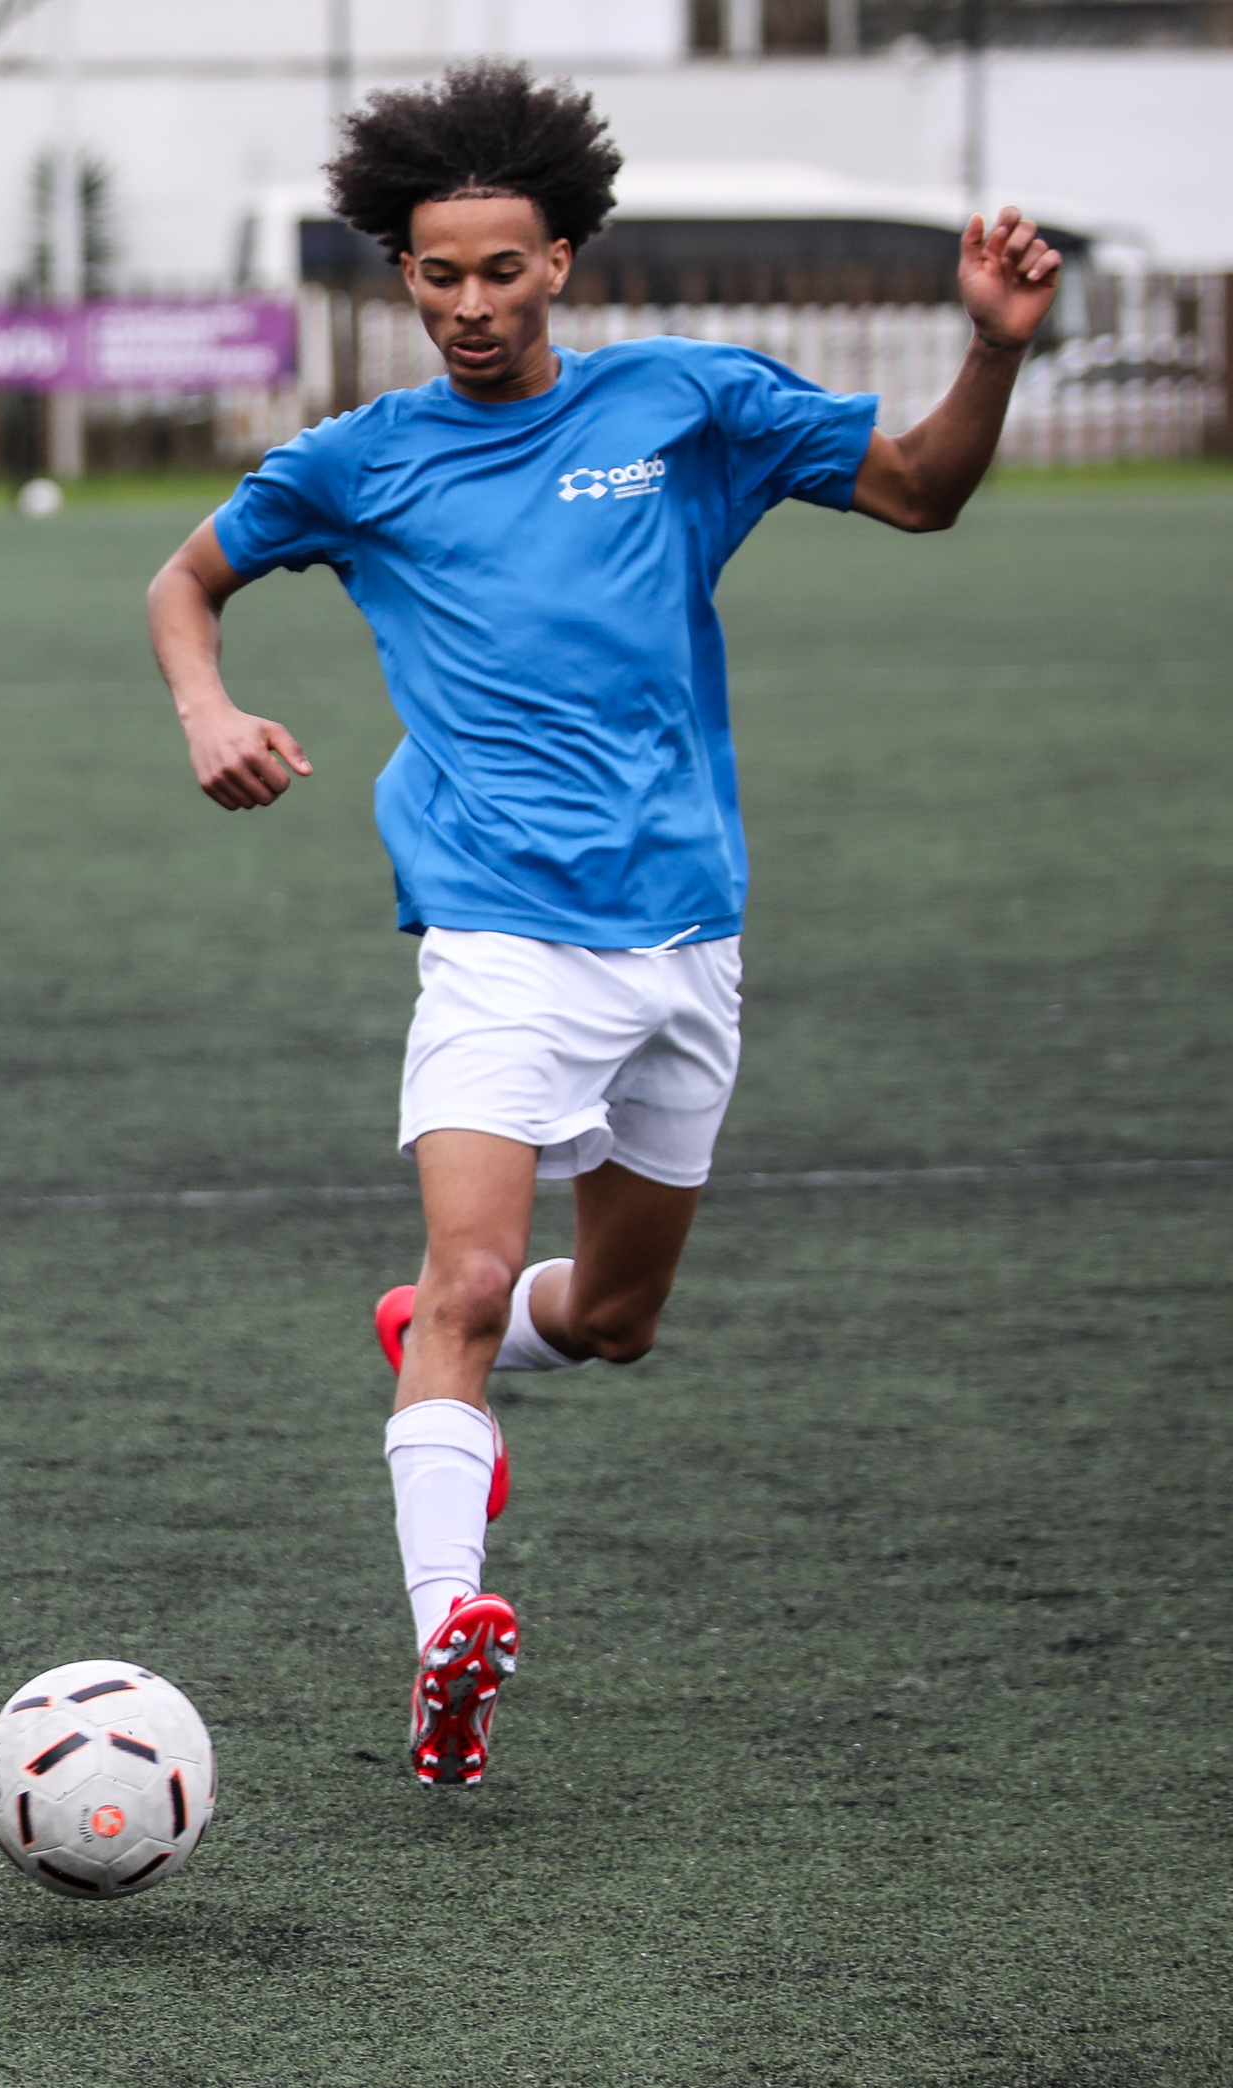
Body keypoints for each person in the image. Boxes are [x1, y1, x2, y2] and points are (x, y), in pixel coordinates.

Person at [143, 63, 1059, 1790]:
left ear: (563, 256)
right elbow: (181, 580)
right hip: (496, 932)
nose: (471, 305)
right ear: (400, 275)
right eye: (438, 274)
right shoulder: (359, 462)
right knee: (475, 1274)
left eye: (502, 268)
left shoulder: (686, 408)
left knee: (620, 1315)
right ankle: (445, 1631)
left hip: (686, 933)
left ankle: (432, 1343)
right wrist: (207, 710)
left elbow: (924, 490)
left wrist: (994, 344)